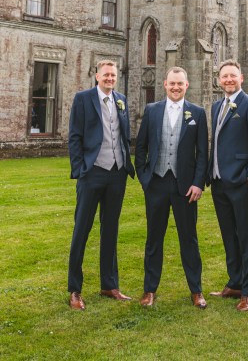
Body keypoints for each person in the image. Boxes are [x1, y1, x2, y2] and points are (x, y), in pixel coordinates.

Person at [135, 66, 208, 309]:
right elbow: (141, 147)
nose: (176, 87)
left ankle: (196, 290)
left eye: (180, 84)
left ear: (187, 86)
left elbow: (202, 154)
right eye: (172, 83)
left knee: (189, 239)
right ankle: (149, 290)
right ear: (164, 84)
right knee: (154, 239)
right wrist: (145, 178)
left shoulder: (197, 113)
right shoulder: (152, 111)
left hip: (185, 187)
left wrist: (198, 183)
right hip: (156, 183)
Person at [67, 59, 135, 310]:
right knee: (81, 230)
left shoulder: (121, 99)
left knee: (111, 229)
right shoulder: (83, 99)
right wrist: (80, 169)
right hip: (92, 173)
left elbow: (122, 133)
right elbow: (74, 136)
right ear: (97, 76)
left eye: (113, 75)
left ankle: (109, 284)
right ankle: (75, 289)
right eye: (105, 75)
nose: (109, 78)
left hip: (116, 174)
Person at [208, 59, 248, 311]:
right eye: (225, 77)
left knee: (246, 235)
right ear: (219, 80)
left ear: (241, 78)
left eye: (233, 76)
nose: (229, 80)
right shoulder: (216, 106)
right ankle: (235, 282)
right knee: (228, 234)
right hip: (219, 182)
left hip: (242, 182)